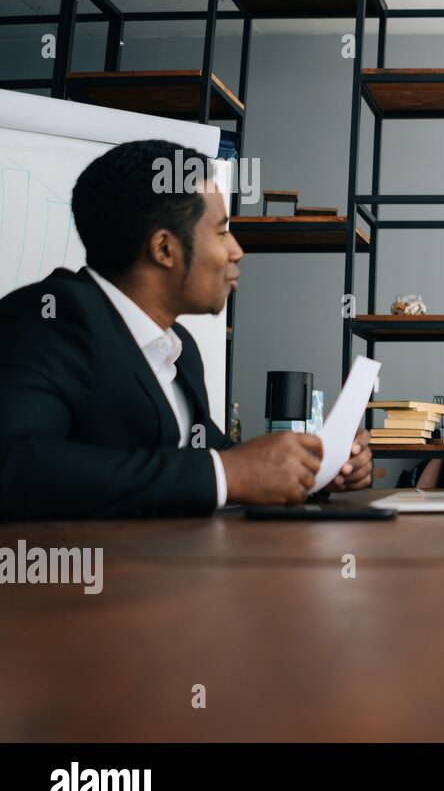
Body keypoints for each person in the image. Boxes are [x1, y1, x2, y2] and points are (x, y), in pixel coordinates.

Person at [0, 139, 372, 520]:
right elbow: (14, 465)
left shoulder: (180, 350)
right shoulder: (48, 319)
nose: (237, 250)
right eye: (223, 231)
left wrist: (310, 469)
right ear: (164, 249)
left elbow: (211, 456)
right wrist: (225, 473)